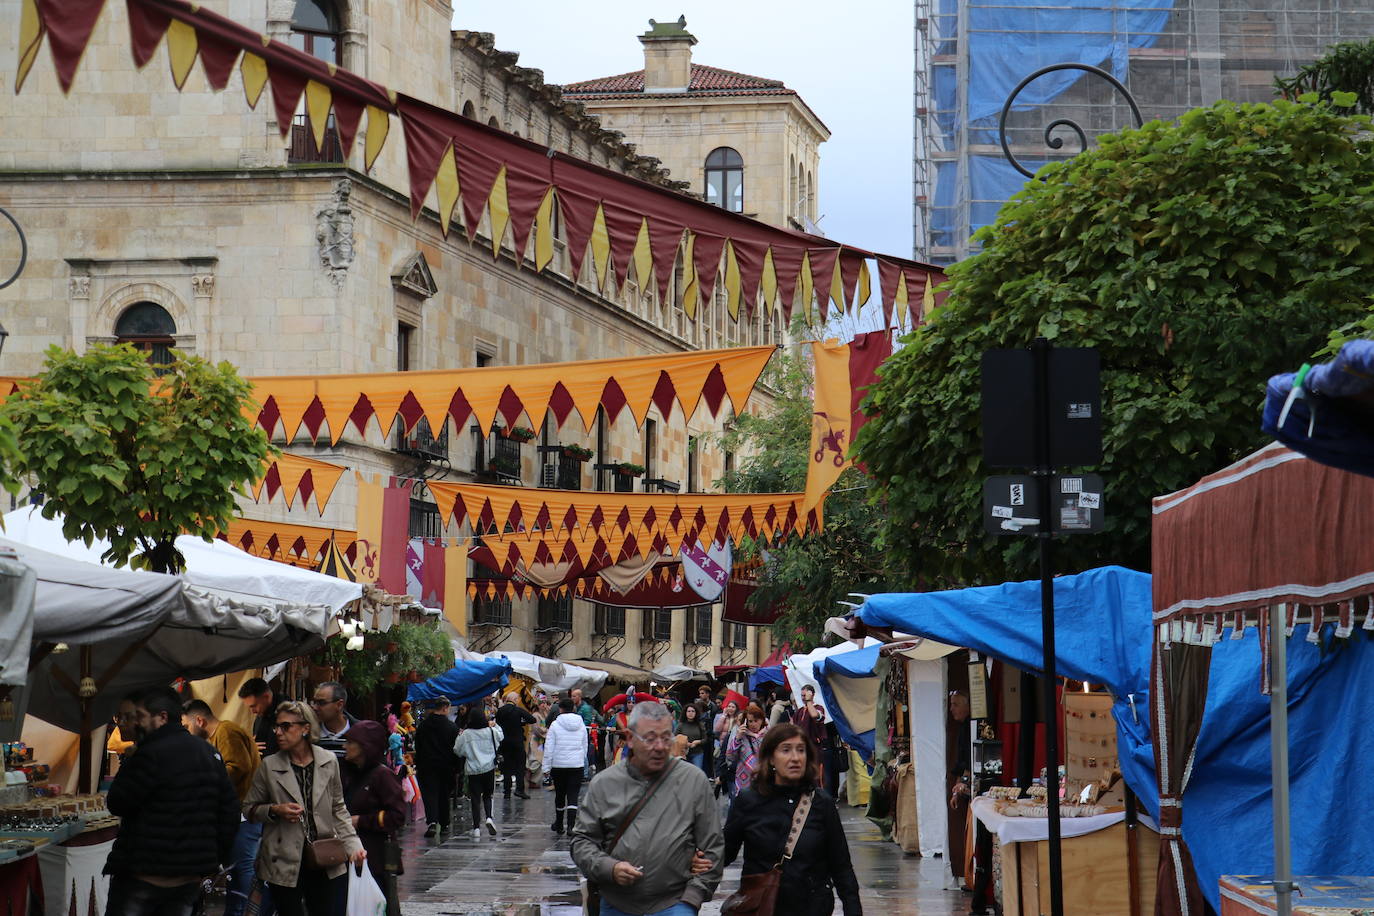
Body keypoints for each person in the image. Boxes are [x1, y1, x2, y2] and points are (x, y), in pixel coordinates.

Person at [571, 702, 725, 916]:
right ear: (630, 738)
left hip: (675, 903)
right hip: (616, 903)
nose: (661, 746)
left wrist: (693, 898)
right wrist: (609, 868)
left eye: (666, 737)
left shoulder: (693, 780)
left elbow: (713, 846)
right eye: (650, 738)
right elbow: (582, 842)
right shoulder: (604, 783)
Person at [104, 687, 241, 916]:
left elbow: (118, 802)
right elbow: (229, 811)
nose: (135, 724)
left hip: (144, 873)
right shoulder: (208, 753)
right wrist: (211, 859)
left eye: (140, 717)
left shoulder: (148, 754)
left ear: (162, 717)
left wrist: (129, 761)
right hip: (188, 876)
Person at [723, 723, 862, 916]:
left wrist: (853, 909)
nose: (795, 758)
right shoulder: (748, 800)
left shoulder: (821, 803)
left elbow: (841, 865)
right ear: (771, 758)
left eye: (801, 750)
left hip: (812, 907)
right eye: (786, 750)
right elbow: (725, 852)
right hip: (763, 907)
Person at [242, 701, 364, 916]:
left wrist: (354, 846)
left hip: (325, 855)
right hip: (283, 858)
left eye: (286, 726)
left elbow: (338, 809)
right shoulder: (269, 766)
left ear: (305, 728)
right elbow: (249, 809)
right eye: (276, 726)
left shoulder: (328, 761)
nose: (278, 732)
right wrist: (275, 810)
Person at [183, 699, 262, 916]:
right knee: (234, 868)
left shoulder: (226, 730)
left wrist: (206, 784)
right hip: (237, 813)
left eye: (187, 726)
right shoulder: (217, 735)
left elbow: (239, 767)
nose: (187, 732)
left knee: (240, 867)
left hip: (245, 814)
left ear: (199, 720)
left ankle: (243, 911)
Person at [340, 721, 407, 890]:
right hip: (352, 854)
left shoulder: (382, 775)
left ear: (364, 747)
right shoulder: (351, 773)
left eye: (350, 742)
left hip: (376, 857)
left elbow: (397, 815)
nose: (344, 746)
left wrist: (360, 821)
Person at [453, 706, 503, 839]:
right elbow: (501, 736)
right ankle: (489, 818)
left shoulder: (466, 734)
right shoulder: (491, 731)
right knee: (488, 795)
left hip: (473, 770)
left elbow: (457, 750)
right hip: (489, 768)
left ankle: (476, 828)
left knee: (475, 799)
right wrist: (495, 724)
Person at [413, 697, 460, 838]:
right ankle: (444, 823)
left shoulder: (423, 726)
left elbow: (418, 747)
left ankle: (432, 821)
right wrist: (457, 767)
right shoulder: (452, 727)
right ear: (445, 708)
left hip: (426, 765)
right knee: (443, 795)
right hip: (445, 766)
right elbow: (456, 749)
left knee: (430, 794)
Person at [542, 697, 589, 835]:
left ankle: (559, 824)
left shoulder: (555, 725)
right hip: (576, 765)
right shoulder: (580, 724)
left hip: (559, 765)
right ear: (573, 708)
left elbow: (549, 747)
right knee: (573, 795)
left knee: (560, 795)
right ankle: (571, 826)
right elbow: (584, 744)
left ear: (560, 709)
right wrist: (581, 758)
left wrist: (546, 768)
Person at [494, 692, 535, 799]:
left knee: (506, 767)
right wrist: (521, 722)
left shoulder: (500, 711)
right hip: (517, 742)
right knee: (520, 766)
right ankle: (519, 790)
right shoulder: (518, 710)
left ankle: (507, 792)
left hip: (504, 742)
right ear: (515, 699)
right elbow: (532, 719)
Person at [725, 704, 768, 800]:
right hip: (744, 779)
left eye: (756, 721)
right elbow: (730, 756)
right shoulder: (741, 735)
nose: (753, 724)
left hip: (763, 778)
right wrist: (737, 738)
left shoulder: (769, 735)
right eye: (750, 721)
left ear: (762, 720)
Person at [310, 682, 356, 762]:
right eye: (314, 702)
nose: (315, 707)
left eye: (321, 703)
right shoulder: (310, 734)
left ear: (339, 705)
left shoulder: (359, 733)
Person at [791, 686, 829, 782]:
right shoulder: (799, 711)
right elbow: (791, 727)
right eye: (802, 696)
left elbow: (814, 715)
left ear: (812, 695)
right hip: (801, 749)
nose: (803, 698)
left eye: (805, 695)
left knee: (816, 777)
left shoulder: (818, 708)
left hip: (814, 749)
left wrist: (809, 701)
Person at [238, 677, 281, 757]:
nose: (253, 711)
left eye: (253, 706)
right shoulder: (262, 712)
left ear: (266, 697)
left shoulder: (287, 713)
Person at [676, 702, 710, 775]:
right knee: (685, 775)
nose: (690, 713)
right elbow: (674, 738)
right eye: (688, 711)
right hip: (683, 754)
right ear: (685, 713)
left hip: (697, 753)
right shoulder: (681, 725)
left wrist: (698, 742)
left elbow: (705, 739)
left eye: (693, 711)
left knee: (697, 774)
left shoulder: (700, 724)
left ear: (696, 713)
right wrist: (685, 743)